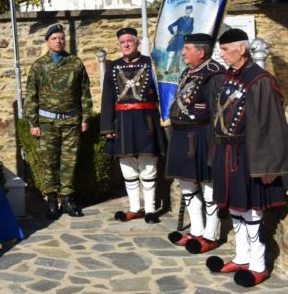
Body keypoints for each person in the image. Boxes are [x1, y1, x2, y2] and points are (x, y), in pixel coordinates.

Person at [205, 28, 288, 287]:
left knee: (252, 211)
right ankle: (241, 257)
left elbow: (271, 126)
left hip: (249, 156)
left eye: (226, 50)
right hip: (226, 153)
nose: (222, 54)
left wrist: (267, 167)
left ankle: (259, 265)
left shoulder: (260, 79)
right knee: (234, 209)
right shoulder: (230, 77)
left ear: (242, 48)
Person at [24, 23, 93, 220]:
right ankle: (52, 200)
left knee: (69, 163)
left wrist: (86, 118)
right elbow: (31, 96)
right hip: (47, 122)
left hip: (71, 121)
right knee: (50, 162)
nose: (59, 41)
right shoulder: (39, 66)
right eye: (54, 38)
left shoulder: (75, 63)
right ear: (47, 41)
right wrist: (33, 123)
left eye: (61, 38)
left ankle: (68, 200)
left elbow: (84, 93)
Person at [165, 33, 225, 254]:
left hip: (203, 136)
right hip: (182, 137)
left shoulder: (214, 74)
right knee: (187, 186)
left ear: (201, 52)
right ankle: (197, 231)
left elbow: (218, 112)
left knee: (209, 187)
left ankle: (210, 235)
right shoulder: (187, 72)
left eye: (187, 48)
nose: (182, 52)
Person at [101, 27, 167, 223]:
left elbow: (162, 93)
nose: (126, 45)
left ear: (137, 42)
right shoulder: (113, 67)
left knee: (148, 166)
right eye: (122, 42)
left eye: (129, 41)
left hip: (147, 119)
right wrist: (107, 127)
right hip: (122, 122)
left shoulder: (151, 64)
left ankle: (150, 210)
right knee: (127, 167)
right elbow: (107, 98)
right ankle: (134, 208)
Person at [166, 5, 194, 73]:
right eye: (187, 10)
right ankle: (167, 70)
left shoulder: (192, 19)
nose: (188, 11)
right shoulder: (181, 19)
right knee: (171, 54)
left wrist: (188, 37)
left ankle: (177, 70)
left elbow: (191, 30)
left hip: (184, 40)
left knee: (181, 55)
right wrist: (173, 32)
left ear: (191, 11)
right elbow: (170, 26)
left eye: (190, 10)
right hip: (177, 38)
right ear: (185, 10)